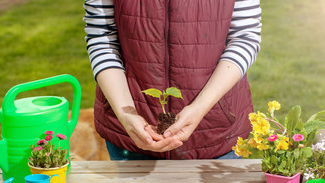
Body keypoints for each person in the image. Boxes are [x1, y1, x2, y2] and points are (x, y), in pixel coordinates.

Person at [83, 0, 262, 160]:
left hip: (216, 135)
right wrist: (126, 113)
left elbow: (244, 38)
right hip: (130, 138)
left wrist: (200, 107)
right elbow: (102, 39)